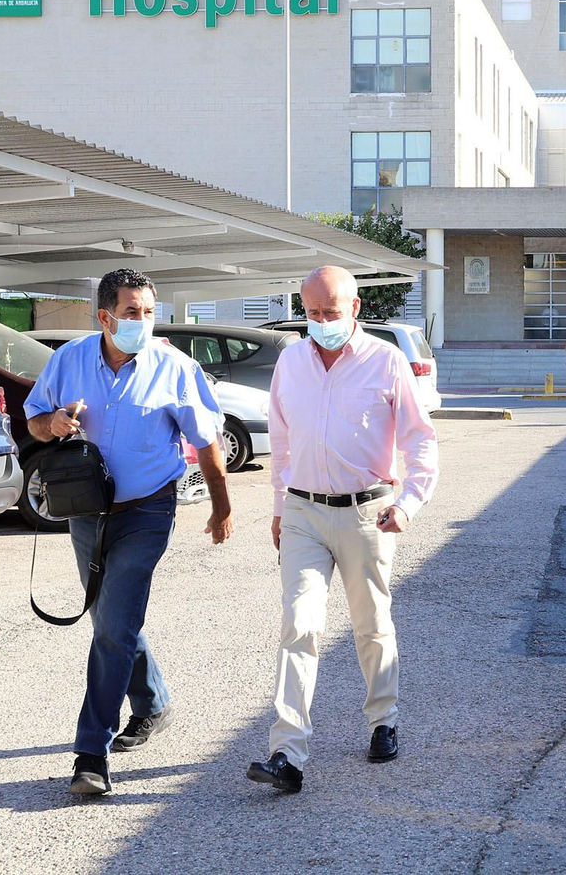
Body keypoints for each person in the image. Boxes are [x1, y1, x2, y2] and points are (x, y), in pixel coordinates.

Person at [24, 268, 233, 798]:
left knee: (113, 623)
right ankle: (153, 703)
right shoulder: (68, 360)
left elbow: (206, 439)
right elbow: (33, 419)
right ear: (104, 316)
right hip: (85, 510)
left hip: (147, 510)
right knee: (113, 619)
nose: (143, 321)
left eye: (148, 311)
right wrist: (53, 425)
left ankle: (90, 752)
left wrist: (221, 504)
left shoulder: (175, 368)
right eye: (132, 312)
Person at [249, 266, 439, 794]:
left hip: (368, 512)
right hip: (305, 513)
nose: (321, 322)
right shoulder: (291, 361)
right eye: (312, 313)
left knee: (370, 623)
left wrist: (409, 504)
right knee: (298, 625)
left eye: (330, 312)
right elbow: (282, 442)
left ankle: (384, 718)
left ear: (354, 309)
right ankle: (287, 753)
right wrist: (280, 508)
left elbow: (421, 440)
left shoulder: (386, 361)